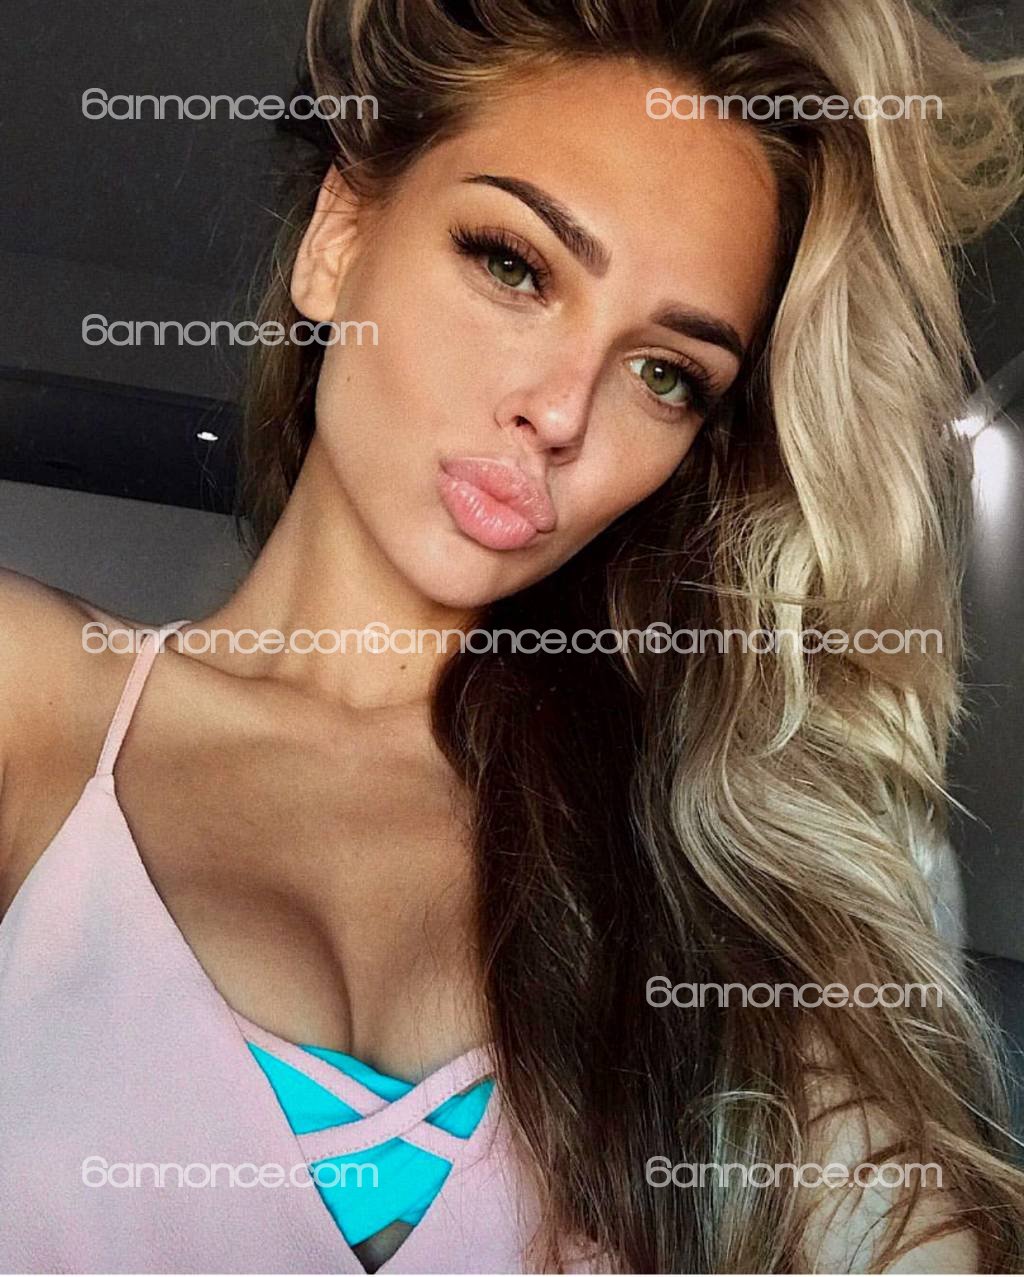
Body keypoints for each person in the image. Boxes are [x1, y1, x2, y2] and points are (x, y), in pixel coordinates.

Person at [1, 0, 1023, 1271]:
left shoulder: (697, 863)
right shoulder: (34, 699)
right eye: (514, 264)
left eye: (665, 372)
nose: (562, 410)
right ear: (337, 238)